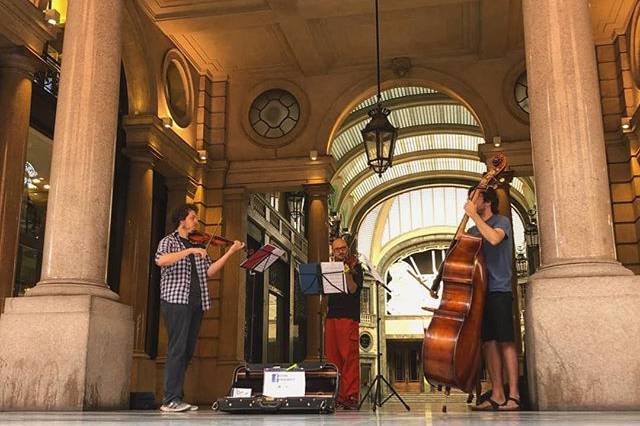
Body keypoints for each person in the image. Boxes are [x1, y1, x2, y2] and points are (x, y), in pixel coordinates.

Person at [155, 203, 245, 412]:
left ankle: (177, 396)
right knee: (177, 349)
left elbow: (210, 271)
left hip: (196, 302)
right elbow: (161, 260)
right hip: (175, 300)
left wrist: (230, 251)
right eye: (193, 217)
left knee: (186, 352)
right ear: (182, 220)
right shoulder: (169, 241)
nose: (196, 221)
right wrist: (189, 251)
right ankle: (170, 399)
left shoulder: (198, 246)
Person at [464, 187, 520, 411]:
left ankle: (513, 395)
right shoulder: (472, 229)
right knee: (488, 344)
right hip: (480, 293)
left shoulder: (502, 221)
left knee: (506, 341)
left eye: (473, 198)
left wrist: (474, 217)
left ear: (486, 201)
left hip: (500, 289)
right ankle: (496, 394)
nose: (469, 202)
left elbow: (495, 239)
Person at [324, 237, 364, 410]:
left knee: (349, 358)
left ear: (347, 249)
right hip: (332, 316)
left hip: (348, 317)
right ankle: (337, 395)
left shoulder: (356, 267)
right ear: (332, 251)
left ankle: (350, 396)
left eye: (343, 248)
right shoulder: (329, 268)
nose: (341, 251)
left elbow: (353, 289)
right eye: (337, 249)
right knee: (333, 358)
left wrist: (347, 271)